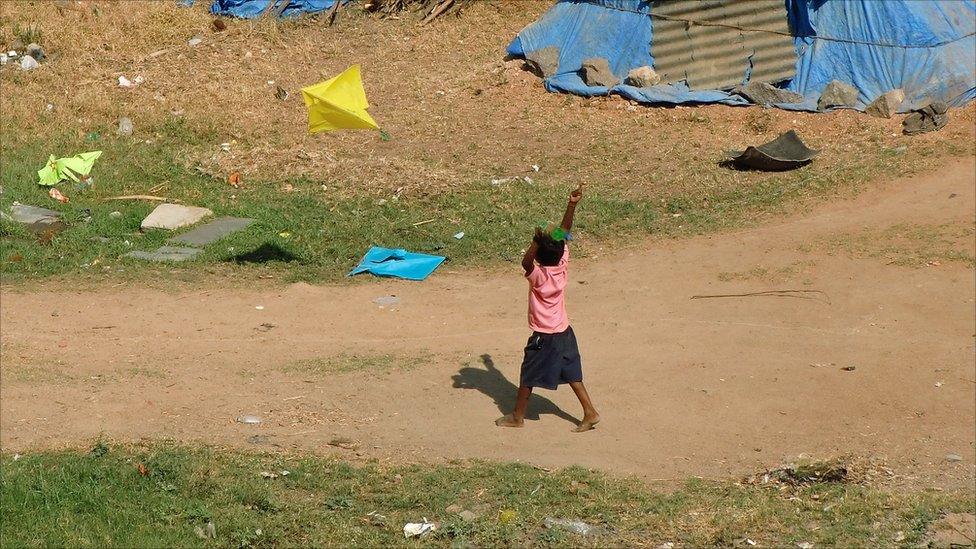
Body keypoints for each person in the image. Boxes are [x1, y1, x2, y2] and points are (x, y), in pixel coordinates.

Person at [495, 183, 600, 433]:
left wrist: (535, 240)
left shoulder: (539, 275)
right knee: (572, 372)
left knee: (527, 374)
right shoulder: (562, 264)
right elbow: (564, 232)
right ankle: (590, 412)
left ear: (539, 255)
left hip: (544, 336)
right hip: (564, 330)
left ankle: (517, 416)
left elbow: (526, 261)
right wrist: (571, 205)